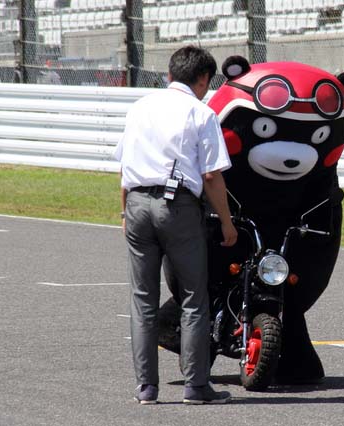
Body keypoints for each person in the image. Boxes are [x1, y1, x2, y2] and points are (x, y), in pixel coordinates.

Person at [114, 45, 237, 404]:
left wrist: (124, 213)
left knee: (142, 300)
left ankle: (146, 387)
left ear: (170, 75)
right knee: (194, 298)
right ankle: (196, 386)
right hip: (178, 205)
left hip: (137, 202)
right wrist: (226, 223)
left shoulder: (139, 107)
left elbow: (124, 167)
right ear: (202, 79)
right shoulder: (201, 112)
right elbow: (212, 175)